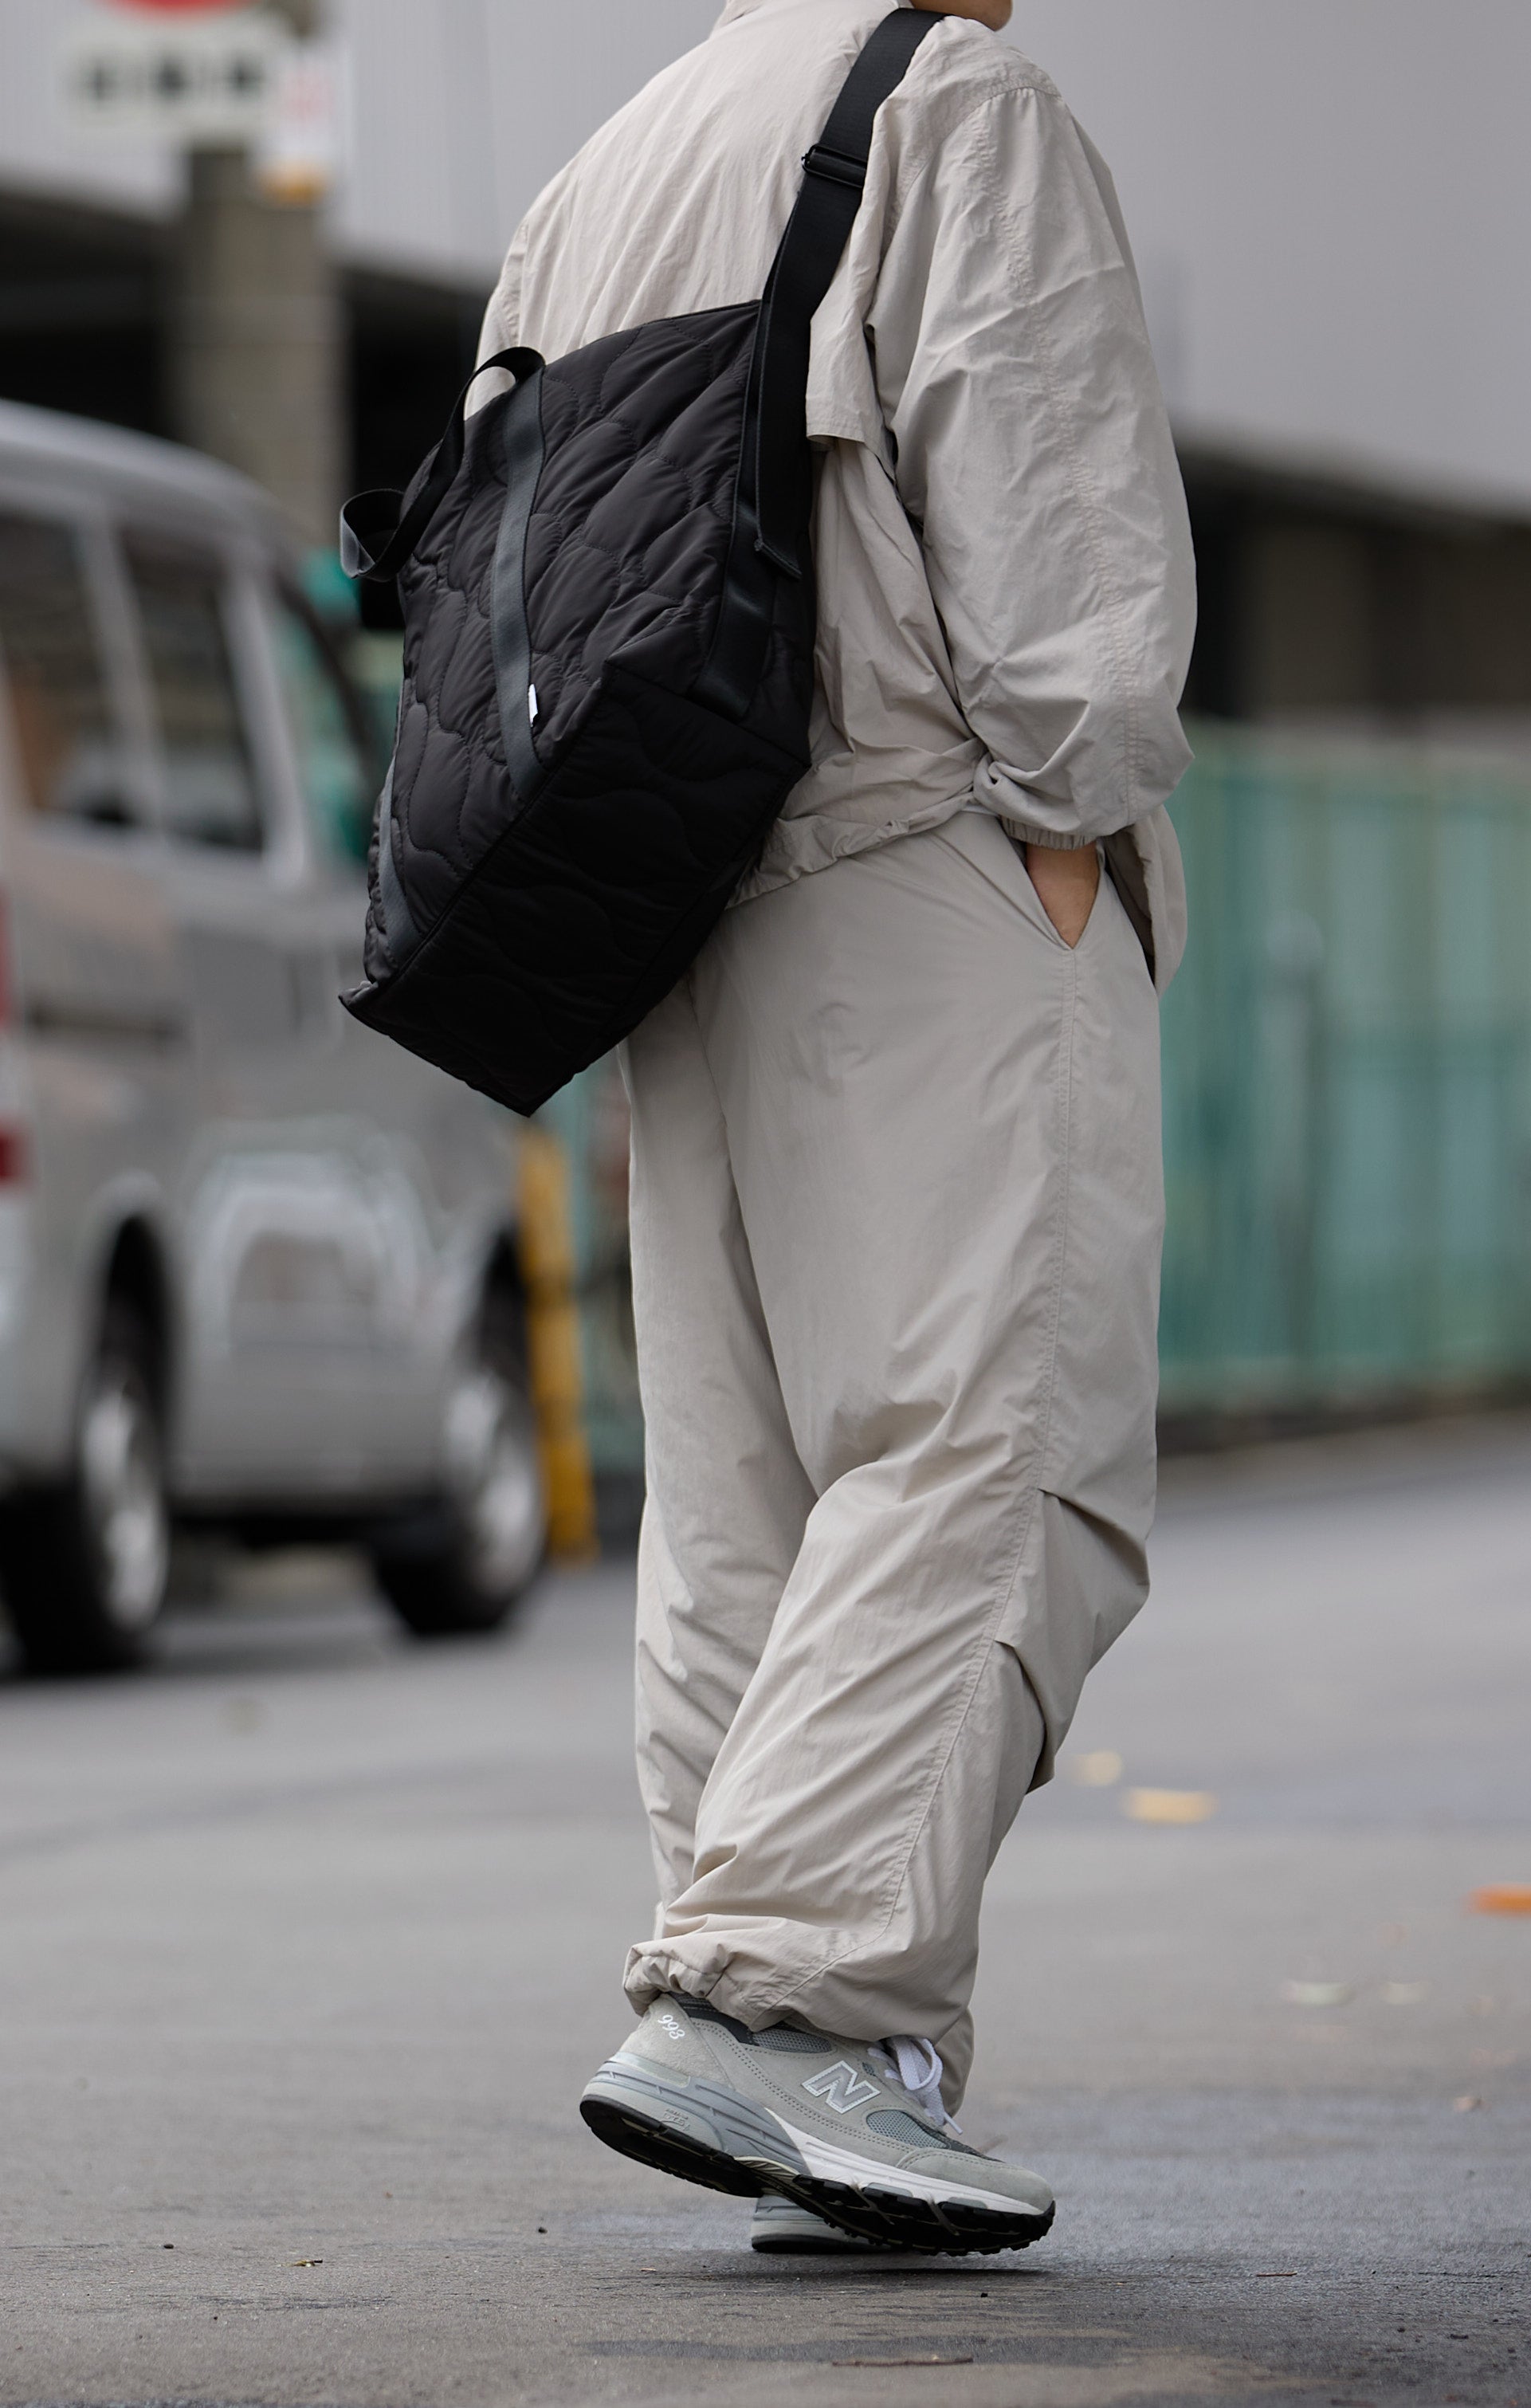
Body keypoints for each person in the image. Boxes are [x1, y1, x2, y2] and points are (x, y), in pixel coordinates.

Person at [478, 0, 1195, 2255]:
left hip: (668, 887)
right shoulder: (953, 102)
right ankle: (785, 2009)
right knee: (1002, 1440)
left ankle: (829, 2057)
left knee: (754, 1486)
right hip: (923, 851)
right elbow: (1048, 486)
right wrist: (1074, 814)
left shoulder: (594, 173)